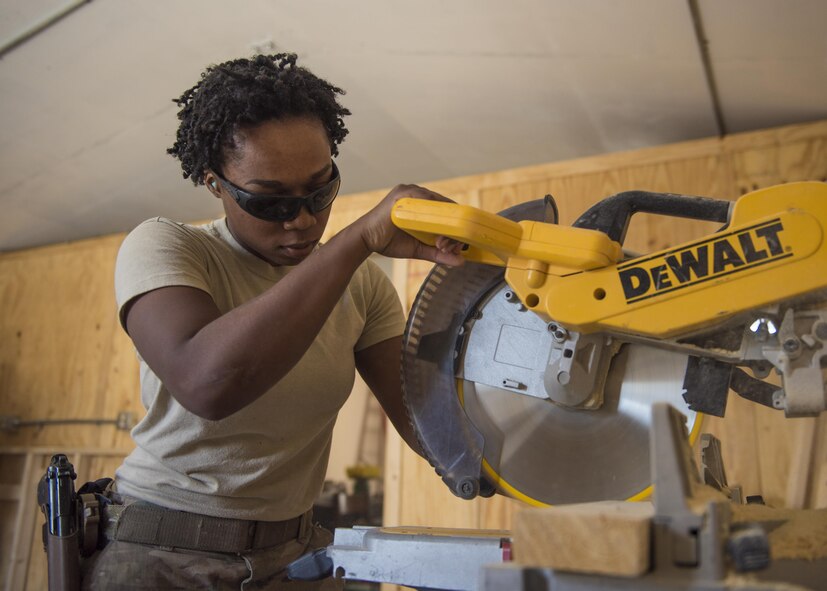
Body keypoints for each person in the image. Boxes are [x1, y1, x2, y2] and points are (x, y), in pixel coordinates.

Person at [80, 53, 463, 590]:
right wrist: (357, 240)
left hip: (293, 553)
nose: (303, 221)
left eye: (320, 190)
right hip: (162, 553)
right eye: (270, 202)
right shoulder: (168, 246)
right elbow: (208, 383)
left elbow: (435, 430)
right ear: (216, 185)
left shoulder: (363, 286)